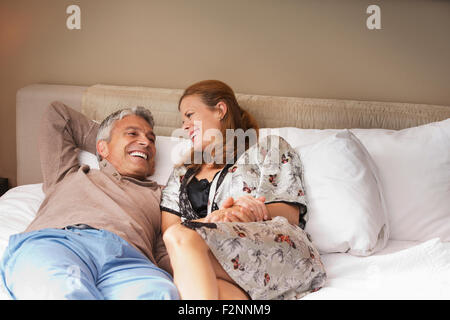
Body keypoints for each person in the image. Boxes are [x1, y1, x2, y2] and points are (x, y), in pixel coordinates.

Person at [160, 80, 326, 300]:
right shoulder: (181, 173)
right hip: (213, 259)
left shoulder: (268, 148)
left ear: (220, 110)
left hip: (277, 249)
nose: (184, 125)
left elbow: (289, 213)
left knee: (183, 241)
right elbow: (169, 233)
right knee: (208, 283)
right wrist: (217, 218)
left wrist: (245, 213)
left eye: (190, 115)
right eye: (182, 120)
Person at [0, 102, 179, 300]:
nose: (146, 142)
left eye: (151, 139)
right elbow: (58, 115)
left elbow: (168, 248)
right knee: (61, 291)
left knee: (161, 293)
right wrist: (107, 142)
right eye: (132, 133)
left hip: (130, 261)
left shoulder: (165, 195)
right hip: (62, 244)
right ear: (101, 148)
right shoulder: (68, 174)